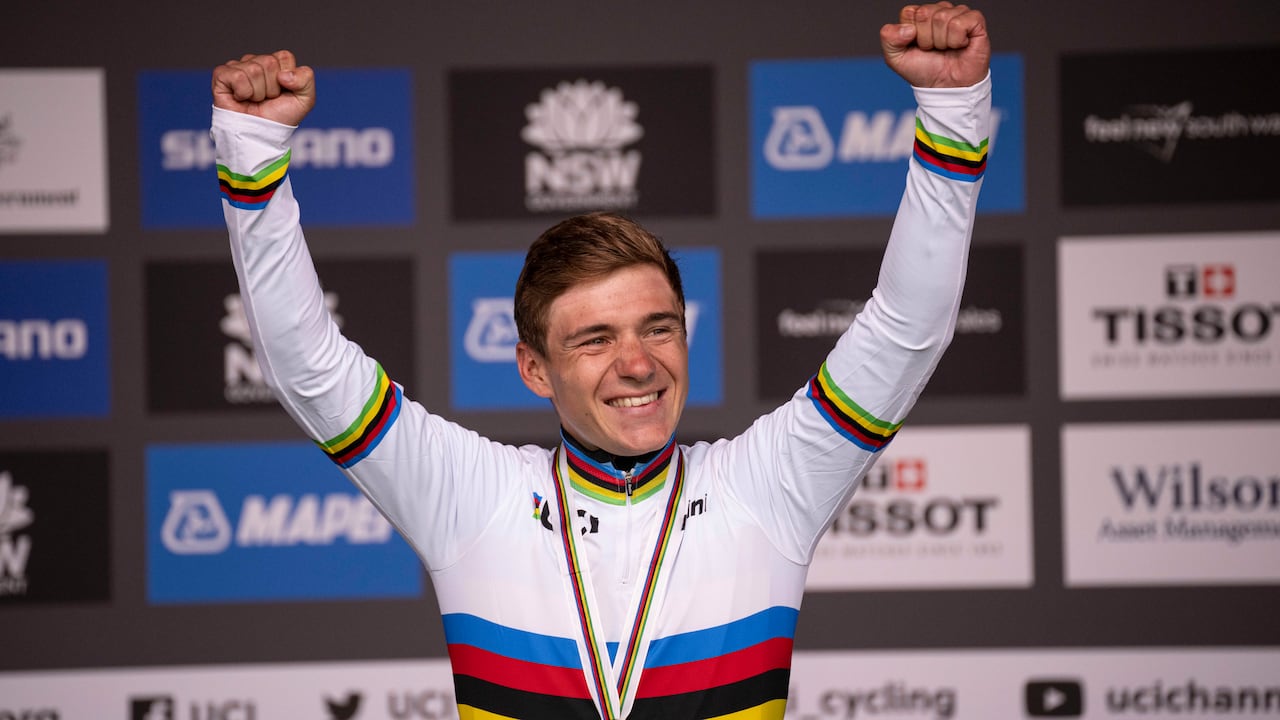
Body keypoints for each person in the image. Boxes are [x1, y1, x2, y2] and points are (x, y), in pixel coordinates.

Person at [210, 3, 990, 718]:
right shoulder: (472, 498)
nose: (638, 363)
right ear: (533, 367)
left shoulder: (767, 486)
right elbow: (305, 365)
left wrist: (954, 113)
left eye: (658, 328)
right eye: (594, 340)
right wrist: (251, 152)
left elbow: (907, 329)